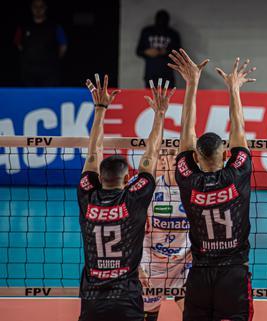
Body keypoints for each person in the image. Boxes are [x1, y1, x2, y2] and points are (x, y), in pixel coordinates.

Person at [77, 75, 173, 321]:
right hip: (126, 298)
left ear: (99, 176)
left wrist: (100, 109)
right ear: (128, 176)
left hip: (92, 299)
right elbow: (150, 156)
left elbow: (93, 152)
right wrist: (160, 113)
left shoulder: (87, 195)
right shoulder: (135, 197)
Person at [170, 49, 255, 321]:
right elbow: (239, 128)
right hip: (234, 273)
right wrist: (234, 88)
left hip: (200, 273)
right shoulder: (238, 172)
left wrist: (192, 83)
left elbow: (186, 131)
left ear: (196, 157)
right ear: (226, 153)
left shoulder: (187, 177)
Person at [140, 148, 191, 320]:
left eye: (178, 152)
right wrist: (139, 267)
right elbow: (133, 232)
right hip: (152, 265)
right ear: (162, 160)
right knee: (149, 315)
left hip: (183, 264)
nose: (175, 156)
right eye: (170, 153)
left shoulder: (194, 187)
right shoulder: (149, 190)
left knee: (194, 313)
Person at [14, 0, 68, 86]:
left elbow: (63, 46)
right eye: (35, 6)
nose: (38, 9)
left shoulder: (55, 26)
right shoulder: (24, 26)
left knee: (50, 97)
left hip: (49, 72)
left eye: (41, 7)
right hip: (28, 72)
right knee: (29, 97)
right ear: (31, 8)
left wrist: (52, 60)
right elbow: (18, 44)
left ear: (45, 8)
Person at [136, 10, 182, 88]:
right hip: (151, 73)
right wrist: (146, 52)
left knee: (168, 97)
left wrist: (166, 52)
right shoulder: (147, 32)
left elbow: (179, 53)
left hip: (167, 74)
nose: (161, 22)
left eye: (163, 20)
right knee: (151, 96)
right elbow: (138, 51)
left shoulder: (173, 34)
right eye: (160, 20)